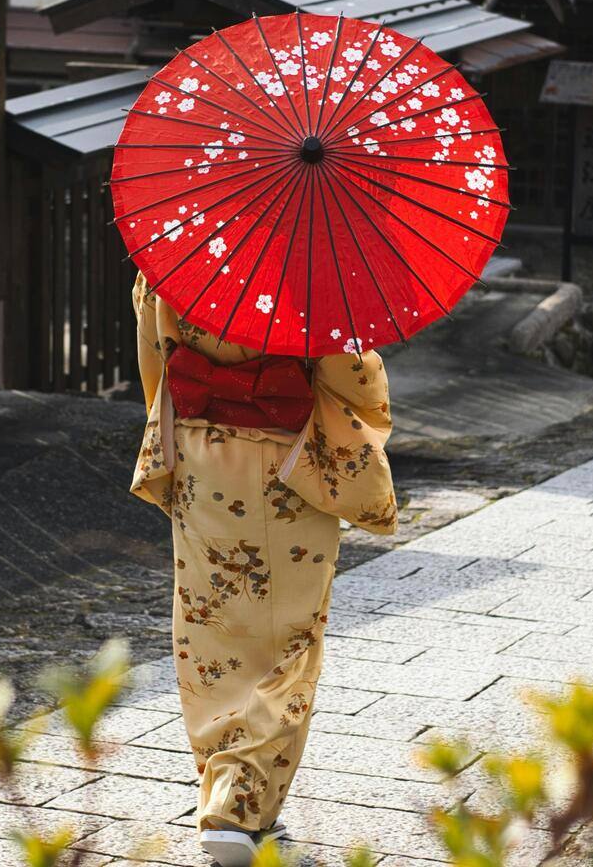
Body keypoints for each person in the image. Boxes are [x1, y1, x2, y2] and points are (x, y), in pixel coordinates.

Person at [130, 274, 396, 866]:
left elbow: (157, 359)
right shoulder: (309, 262)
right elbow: (351, 374)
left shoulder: (174, 251)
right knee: (289, 641)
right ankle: (239, 808)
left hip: (202, 457)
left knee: (210, 635)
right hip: (286, 462)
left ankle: (229, 792)